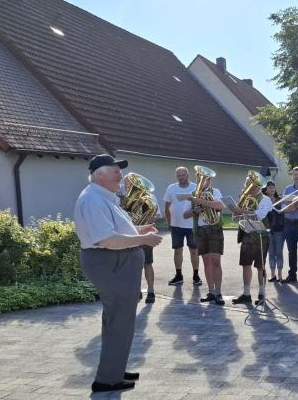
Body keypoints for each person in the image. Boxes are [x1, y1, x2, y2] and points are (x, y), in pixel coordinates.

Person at [74, 154, 163, 393]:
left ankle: (114, 369)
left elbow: (115, 231)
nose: (121, 176)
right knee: (119, 321)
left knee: (118, 321)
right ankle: (107, 380)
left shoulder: (104, 197)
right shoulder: (93, 199)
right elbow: (107, 240)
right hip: (110, 262)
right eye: (115, 171)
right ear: (99, 174)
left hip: (115, 262)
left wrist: (138, 230)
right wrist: (144, 239)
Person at [118, 175, 161, 304]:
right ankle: (135, 290)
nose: (128, 186)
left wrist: (146, 220)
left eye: (130, 183)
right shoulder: (119, 197)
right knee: (130, 265)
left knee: (147, 263)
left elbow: (157, 215)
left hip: (144, 235)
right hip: (128, 235)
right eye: (126, 183)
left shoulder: (149, 197)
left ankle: (151, 291)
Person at [184, 172, 225, 305]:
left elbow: (219, 206)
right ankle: (211, 291)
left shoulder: (216, 191)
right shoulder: (192, 194)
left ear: (210, 180)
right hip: (200, 230)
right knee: (207, 263)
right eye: (200, 178)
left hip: (214, 229)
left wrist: (200, 201)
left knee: (216, 261)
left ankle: (218, 292)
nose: (203, 181)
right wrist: (195, 210)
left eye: (206, 179)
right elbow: (185, 215)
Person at [231, 177, 272, 306]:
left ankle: (262, 293)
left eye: (249, 186)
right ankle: (246, 294)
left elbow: (259, 215)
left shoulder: (265, 199)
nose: (246, 188)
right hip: (247, 235)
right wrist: (237, 208)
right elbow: (235, 218)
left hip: (261, 236)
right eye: (246, 185)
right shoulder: (246, 199)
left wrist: (241, 210)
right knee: (245, 265)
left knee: (261, 266)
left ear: (257, 186)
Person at [163, 166, 202, 286]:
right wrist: (169, 221)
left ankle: (196, 276)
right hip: (176, 225)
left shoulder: (196, 187)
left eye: (183, 175)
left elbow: (201, 204)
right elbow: (167, 206)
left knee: (194, 252)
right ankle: (178, 275)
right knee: (177, 252)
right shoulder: (171, 188)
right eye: (178, 175)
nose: (180, 177)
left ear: (187, 175)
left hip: (192, 226)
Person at [263, 181, 286, 283]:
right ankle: (273, 275)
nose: (272, 189)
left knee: (279, 253)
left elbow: (285, 212)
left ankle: (280, 275)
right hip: (268, 231)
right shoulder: (263, 200)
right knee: (271, 253)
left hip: (279, 230)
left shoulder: (280, 200)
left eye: (273, 187)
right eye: (270, 188)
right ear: (266, 190)